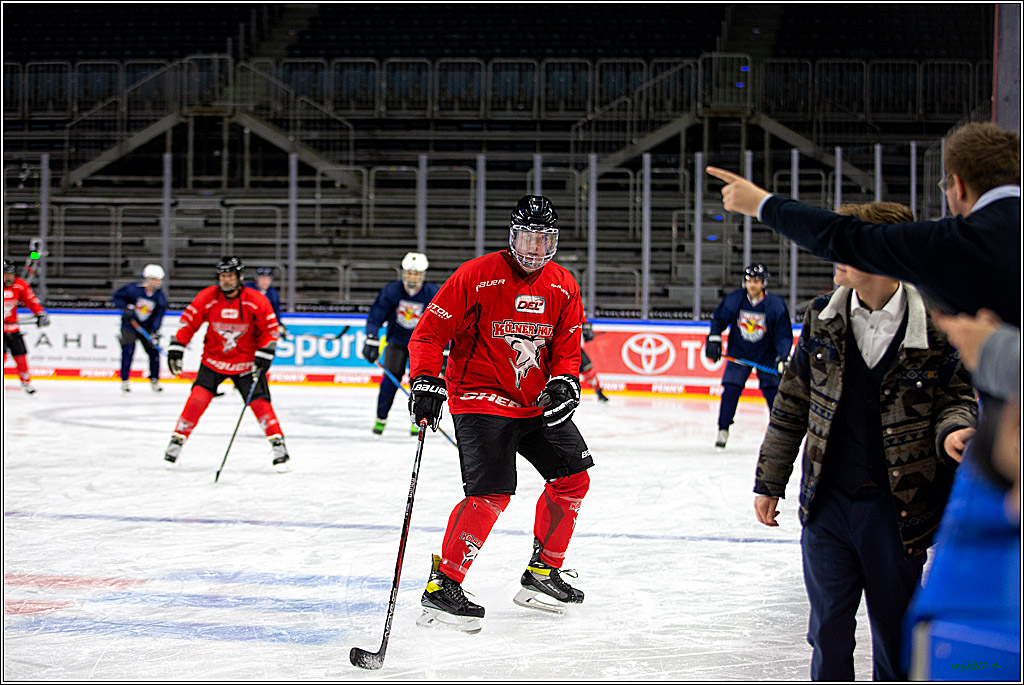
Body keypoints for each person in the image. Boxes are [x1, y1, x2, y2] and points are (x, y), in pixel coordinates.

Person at [752, 202, 979, 681]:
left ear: (884, 254)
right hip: (827, 507)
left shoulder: (937, 323)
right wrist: (769, 481)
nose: (835, 253)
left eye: (847, 244)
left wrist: (954, 430)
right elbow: (791, 405)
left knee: (896, 636)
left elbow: (957, 399)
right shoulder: (821, 318)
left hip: (898, 512)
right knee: (828, 631)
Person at [407, 195, 593, 633]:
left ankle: (543, 573)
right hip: (478, 397)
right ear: (512, 236)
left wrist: (565, 381)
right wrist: (425, 380)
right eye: (526, 237)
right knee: (491, 492)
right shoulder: (476, 275)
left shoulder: (563, 284)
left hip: (534, 402)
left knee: (573, 477)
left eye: (542, 238)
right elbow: (428, 336)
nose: (533, 248)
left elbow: (567, 350)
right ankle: (442, 587)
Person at [705, 122, 1020, 325]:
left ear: (958, 185)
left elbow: (845, 237)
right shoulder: (824, 314)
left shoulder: (952, 244)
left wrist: (762, 204)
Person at [162, 256, 291, 473]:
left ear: (239, 277)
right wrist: (178, 345)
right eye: (223, 276)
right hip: (213, 361)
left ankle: (278, 444)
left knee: (260, 403)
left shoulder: (255, 299)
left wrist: (266, 351)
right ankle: (177, 439)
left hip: (245, 365)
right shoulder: (208, 297)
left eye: (230, 276)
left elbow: (270, 329)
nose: (227, 280)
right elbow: (189, 321)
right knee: (197, 399)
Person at [705, 263, 792, 448]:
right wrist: (714, 338)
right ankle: (723, 429)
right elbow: (718, 319)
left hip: (766, 355)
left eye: (757, 281)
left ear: (764, 283)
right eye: (749, 281)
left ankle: (779, 433)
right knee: (731, 389)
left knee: (773, 393)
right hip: (739, 354)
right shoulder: (735, 299)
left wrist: (783, 356)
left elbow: (783, 334)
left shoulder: (775, 304)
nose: (752, 285)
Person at [361, 251, 440, 436]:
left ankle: (418, 419)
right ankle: (381, 418)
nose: (412, 277)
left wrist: (443, 348)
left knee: (420, 382)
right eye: (409, 273)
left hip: (421, 345)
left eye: (416, 274)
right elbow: (376, 315)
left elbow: (441, 321)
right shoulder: (391, 290)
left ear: (423, 274)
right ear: (403, 273)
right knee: (390, 380)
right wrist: (371, 337)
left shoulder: (432, 293)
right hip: (396, 342)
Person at [112, 264, 168, 392]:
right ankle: (125, 380)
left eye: (159, 280)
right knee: (128, 351)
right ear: (148, 279)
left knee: (153, 353)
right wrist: (126, 308)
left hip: (146, 328)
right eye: (155, 279)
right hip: (130, 326)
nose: (158, 282)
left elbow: (158, 315)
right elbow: (117, 297)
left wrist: (154, 330)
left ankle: (155, 379)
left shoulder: (160, 297)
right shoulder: (133, 289)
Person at [3, 259, 50, 394]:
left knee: (21, 356)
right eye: (6, 274)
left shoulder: (19, 285)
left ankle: (26, 382)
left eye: (10, 274)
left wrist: (40, 313)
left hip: (13, 328)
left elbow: (31, 300)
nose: (8, 277)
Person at [245, 266, 288, 338]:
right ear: (257, 279)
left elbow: (275, 311)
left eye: (267, 279)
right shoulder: (248, 289)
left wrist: (278, 324)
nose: (265, 281)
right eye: (262, 278)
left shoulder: (273, 293)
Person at [579, 316, 608, 402]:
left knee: (587, 369)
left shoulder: (576, 309)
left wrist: (587, 331)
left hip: (575, 348)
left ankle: (599, 391)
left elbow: (584, 324)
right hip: (561, 347)